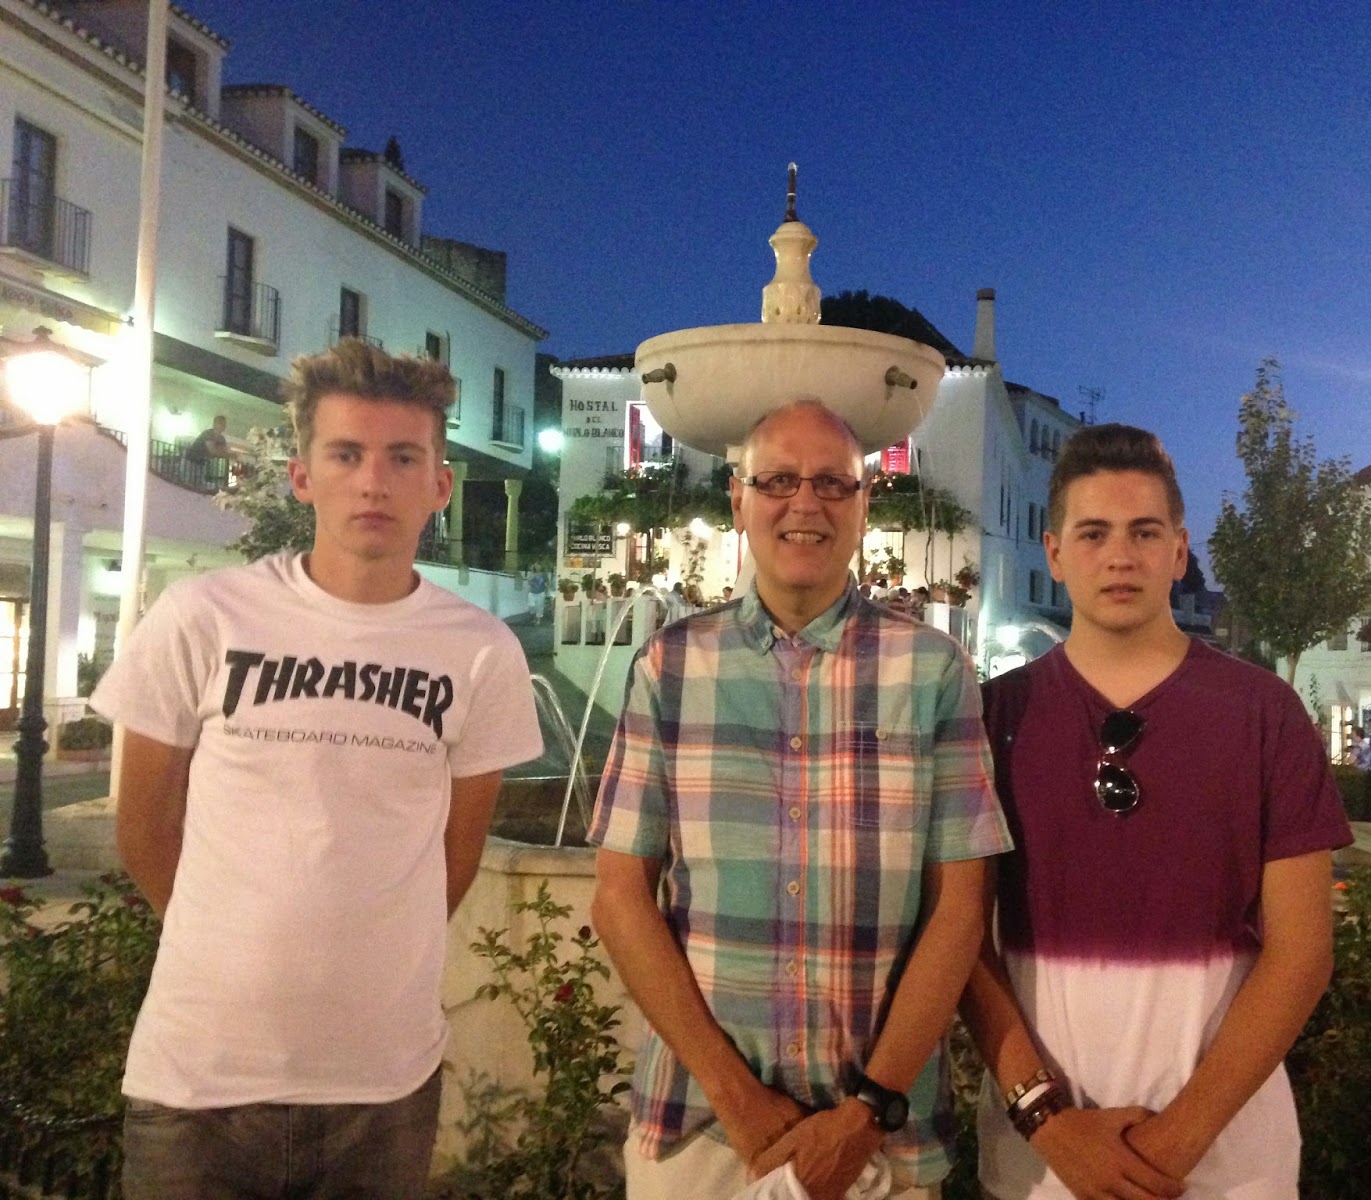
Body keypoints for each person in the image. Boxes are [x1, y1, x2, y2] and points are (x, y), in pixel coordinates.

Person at [92, 340, 543, 1200]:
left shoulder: (481, 652)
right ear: (303, 476)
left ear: (439, 485)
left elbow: (456, 854)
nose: (373, 482)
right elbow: (143, 825)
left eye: (402, 458)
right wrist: (229, 945)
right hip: (200, 1079)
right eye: (345, 455)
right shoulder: (203, 617)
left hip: (383, 1083)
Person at [590, 399, 1012, 1200]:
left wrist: (865, 1114)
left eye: (831, 483)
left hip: (880, 1140)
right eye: (778, 481)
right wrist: (737, 1099)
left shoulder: (932, 671)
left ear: (863, 503)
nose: (805, 503)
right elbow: (619, 898)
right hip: (702, 1127)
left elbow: (960, 911)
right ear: (739, 500)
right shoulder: (669, 667)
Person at [960, 423, 1352, 1200]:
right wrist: (1051, 1126)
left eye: (1144, 532)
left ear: (1179, 551)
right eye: (1093, 533)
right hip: (1041, 1167)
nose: (1120, 556)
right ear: (1054, 552)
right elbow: (961, 943)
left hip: (1228, 1171)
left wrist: (1173, 1145)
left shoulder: (1265, 714)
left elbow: (1302, 952)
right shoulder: (991, 719)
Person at [184, 413, 236, 484]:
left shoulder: (221, 439)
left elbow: (224, 450)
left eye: (224, 424)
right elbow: (213, 451)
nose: (223, 426)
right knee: (188, 482)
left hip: (202, 463)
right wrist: (229, 455)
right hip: (190, 461)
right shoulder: (208, 434)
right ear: (214, 424)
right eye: (220, 423)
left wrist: (230, 454)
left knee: (199, 483)